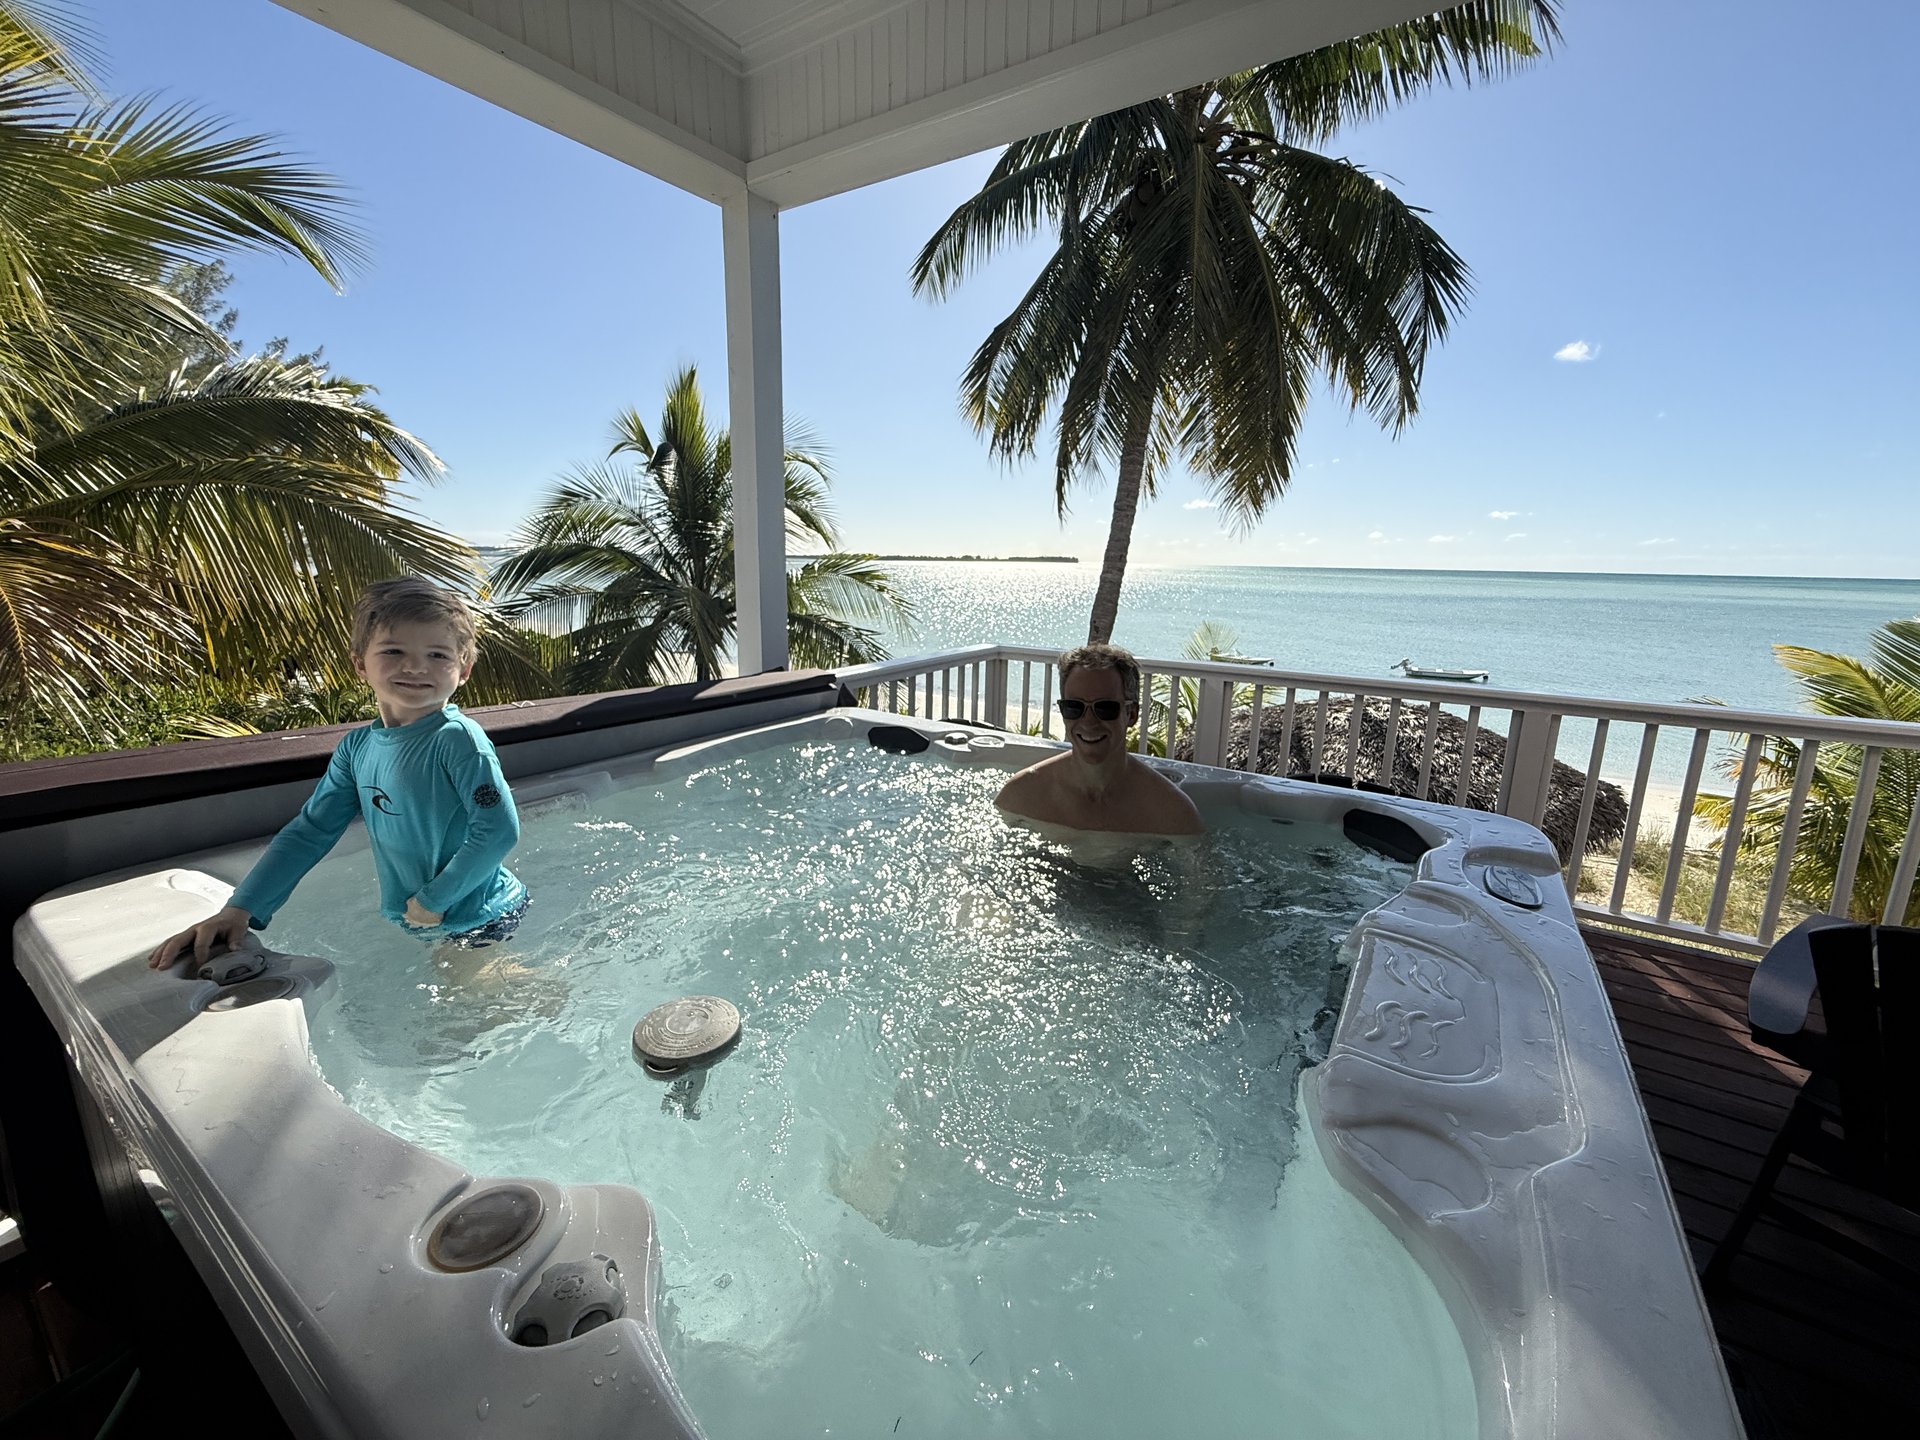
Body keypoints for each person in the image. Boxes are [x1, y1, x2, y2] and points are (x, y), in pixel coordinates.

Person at [149, 577, 528, 970]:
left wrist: (433, 900)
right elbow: (311, 831)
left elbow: (498, 830)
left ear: (463, 670)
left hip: (479, 911)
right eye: (394, 650)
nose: (415, 665)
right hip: (432, 913)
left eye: (437, 655)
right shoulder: (356, 748)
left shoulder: (458, 740)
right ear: (360, 663)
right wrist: (240, 909)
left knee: (484, 1009)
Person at [995, 642, 1204, 836]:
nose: (1088, 722)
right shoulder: (1022, 795)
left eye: (1104, 708)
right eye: (1074, 707)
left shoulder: (1171, 812)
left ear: (1131, 714)